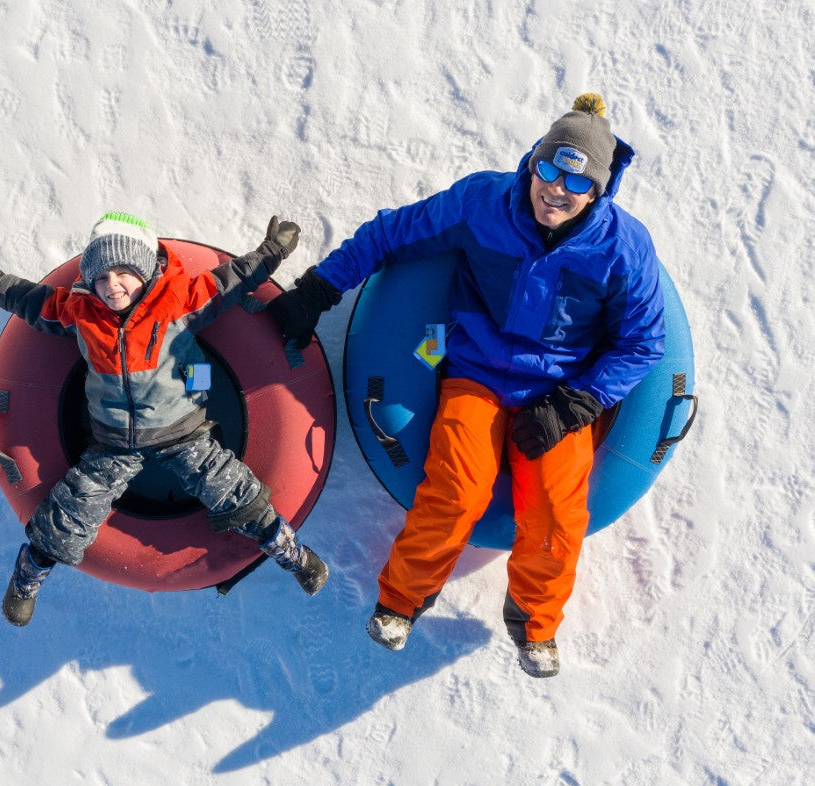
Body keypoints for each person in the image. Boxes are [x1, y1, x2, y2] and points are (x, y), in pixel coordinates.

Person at [268, 94, 665, 677]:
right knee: (457, 487)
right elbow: (391, 234)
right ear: (532, 161)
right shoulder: (485, 202)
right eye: (547, 169)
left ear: (597, 192)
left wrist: (576, 401)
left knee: (556, 509)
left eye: (574, 185)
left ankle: (534, 623)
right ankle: (401, 602)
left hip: (560, 392)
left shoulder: (622, 248)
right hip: (476, 374)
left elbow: (643, 343)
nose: (554, 189)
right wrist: (319, 289)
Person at [0, 212, 329, 626]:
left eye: (123, 272)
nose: (111, 285)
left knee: (233, 490)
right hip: (112, 443)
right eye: (100, 277)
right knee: (74, 508)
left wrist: (273, 249)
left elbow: (232, 280)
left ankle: (292, 555)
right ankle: (27, 577)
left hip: (183, 432)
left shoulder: (179, 300)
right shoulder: (80, 313)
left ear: (145, 269)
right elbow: (23, 299)